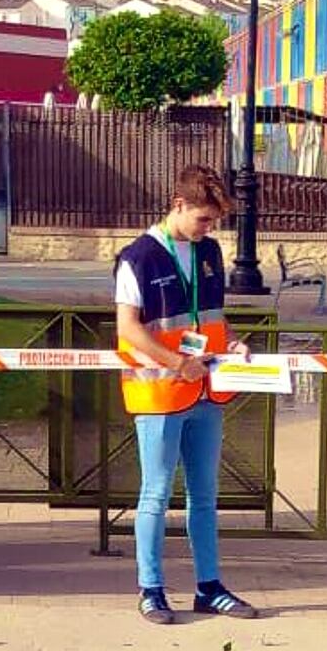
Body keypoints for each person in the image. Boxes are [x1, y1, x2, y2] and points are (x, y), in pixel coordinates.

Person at [114, 165, 260, 624]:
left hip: (206, 392)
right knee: (155, 493)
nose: (209, 228)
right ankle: (151, 589)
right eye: (203, 219)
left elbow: (212, 314)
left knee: (204, 494)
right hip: (159, 392)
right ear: (178, 205)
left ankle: (209, 587)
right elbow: (128, 328)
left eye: (214, 221)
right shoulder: (138, 257)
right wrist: (178, 362)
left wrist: (231, 342)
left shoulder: (210, 251)